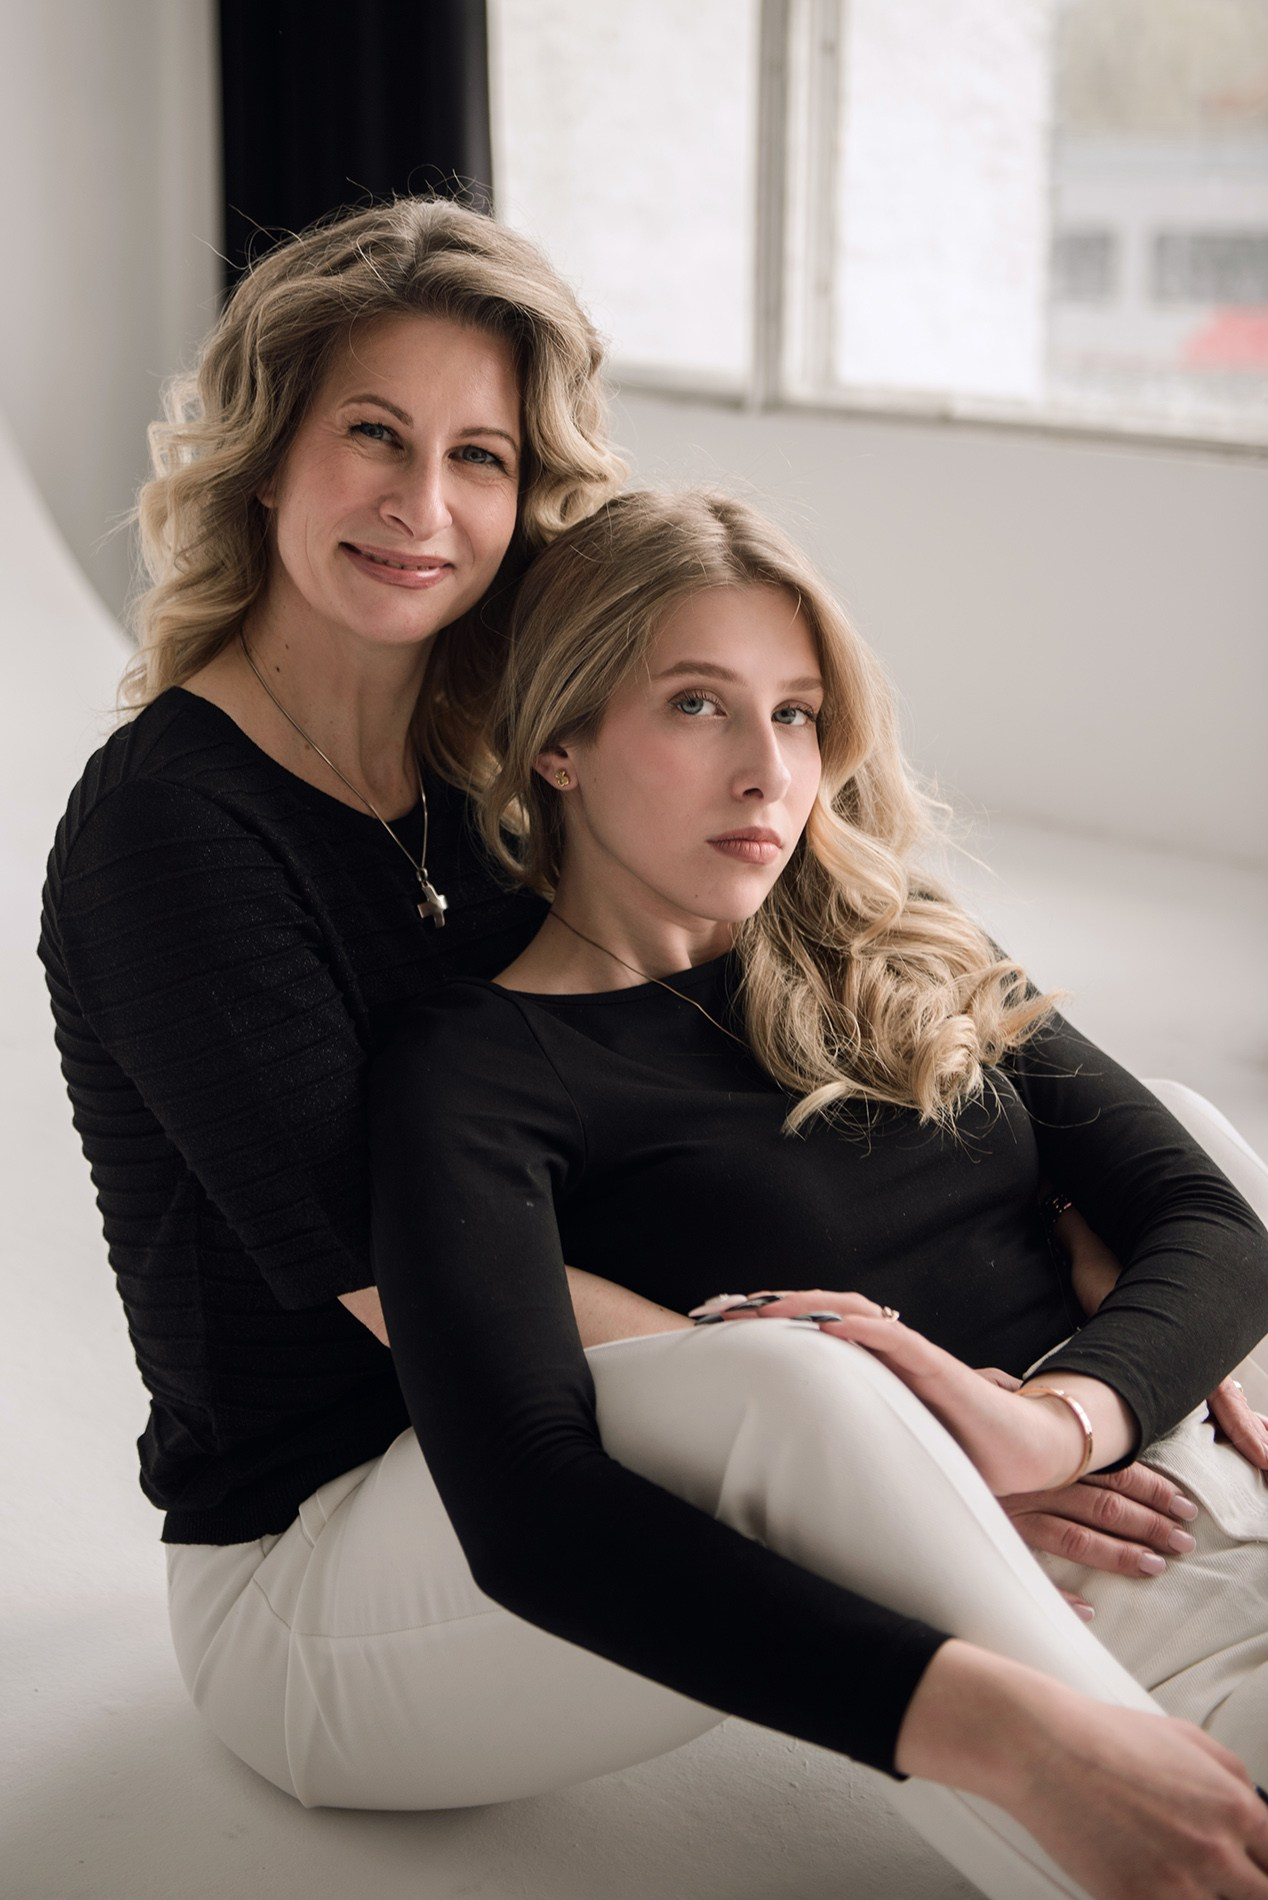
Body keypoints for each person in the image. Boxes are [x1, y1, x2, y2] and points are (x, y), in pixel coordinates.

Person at [38, 194, 1264, 1899]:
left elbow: (716, 1097)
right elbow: (419, 1290)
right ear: (265, 455)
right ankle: (1147, 1815)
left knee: (1169, 1151)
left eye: (480, 456)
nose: (423, 505)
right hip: (341, 1542)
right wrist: (912, 1447)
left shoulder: (507, 750)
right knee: (799, 1395)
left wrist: (1059, 1331)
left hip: (574, 1424)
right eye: (372, 436)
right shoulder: (172, 835)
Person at [361, 489, 1268, 1900]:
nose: (768, 772)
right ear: (558, 742)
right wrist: (933, 1490)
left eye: (796, 714)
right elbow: (541, 1502)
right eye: (699, 706)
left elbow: (1213, 1222)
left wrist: (1052, 1421)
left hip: (1193, 1451)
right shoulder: (477, 1069)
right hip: (1085, 1611)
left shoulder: (896, 939)